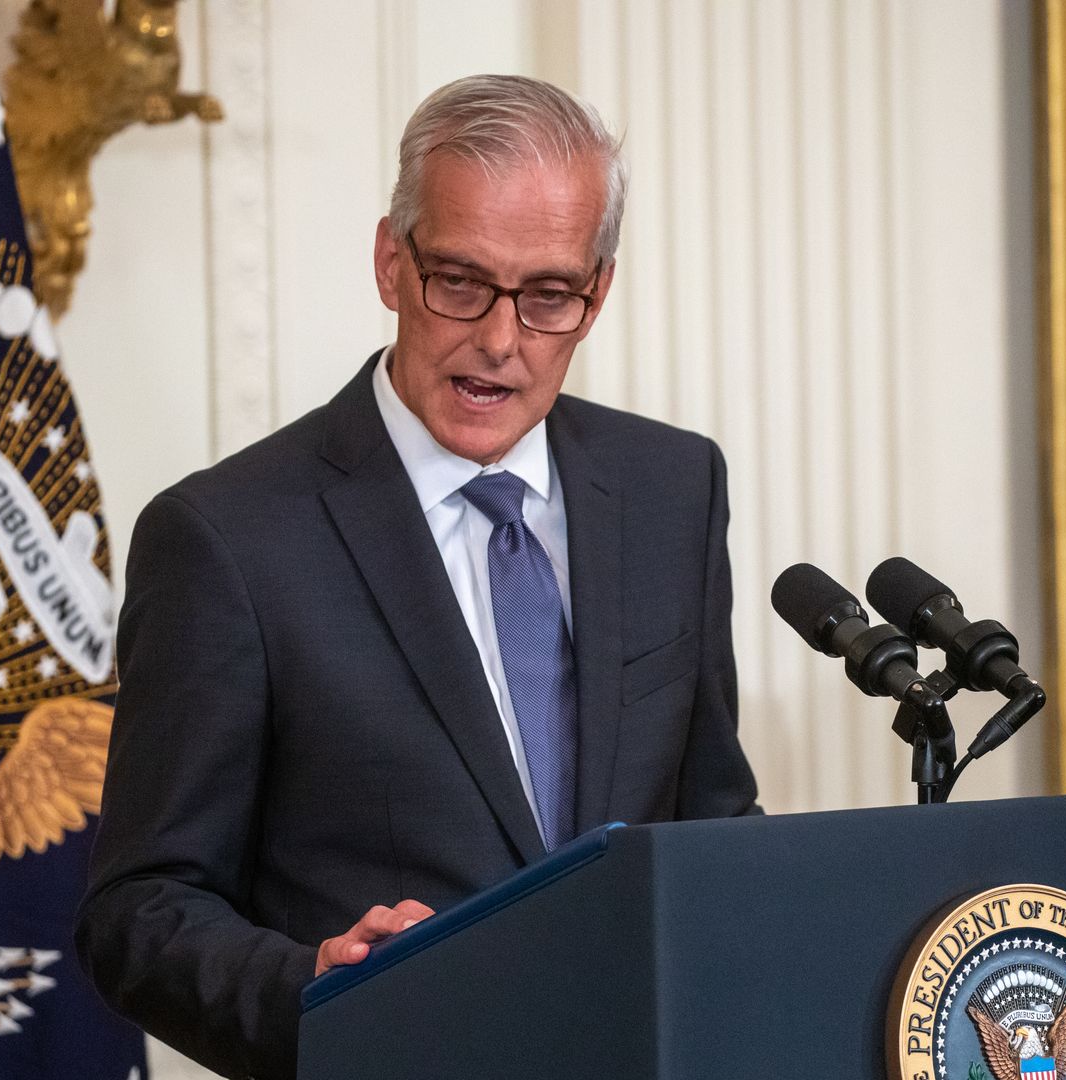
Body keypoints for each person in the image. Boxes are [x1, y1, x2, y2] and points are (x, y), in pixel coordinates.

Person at [75, 74, 760, 1079]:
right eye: (460, 282)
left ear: (598, 293)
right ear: (391, 262)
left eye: (548, 297)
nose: (499, 340)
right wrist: (317, 984)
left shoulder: (673, 488)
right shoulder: (226, 539)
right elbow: (139, 910)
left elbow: (714, 826)